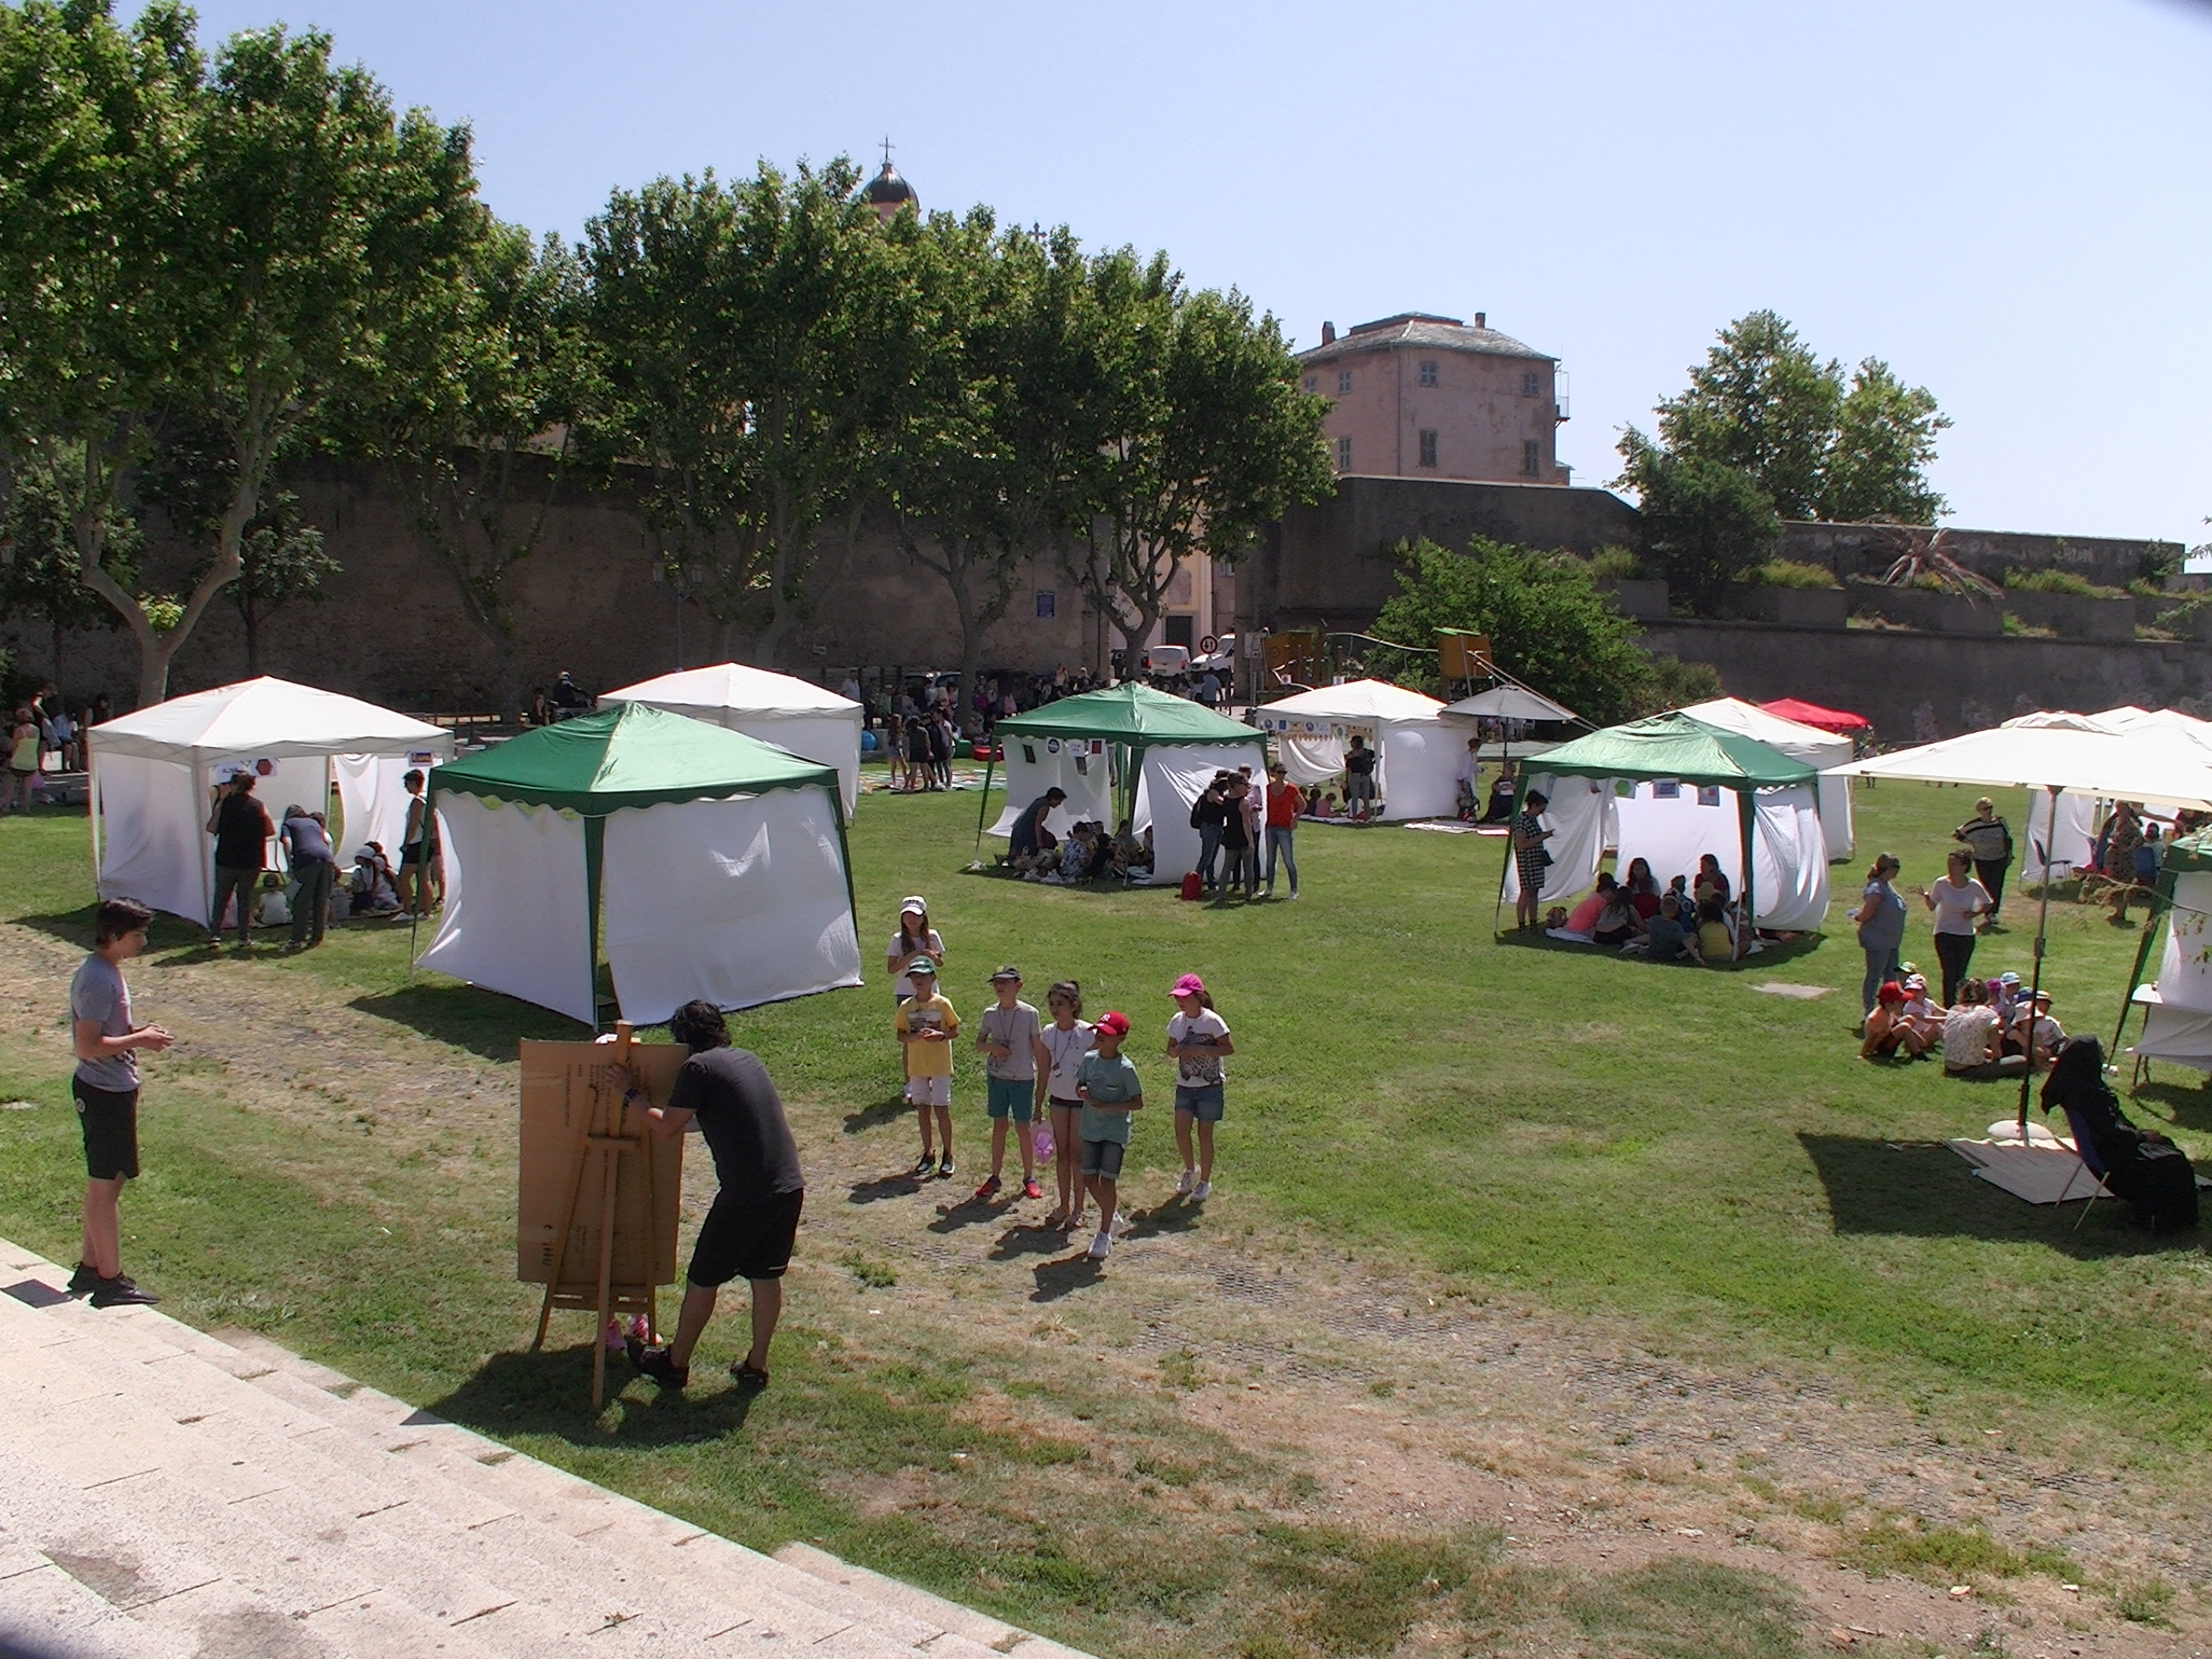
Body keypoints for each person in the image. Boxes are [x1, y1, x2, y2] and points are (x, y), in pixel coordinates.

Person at [617, 1000, 804, 1390]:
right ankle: (757, 1366)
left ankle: (675, 1364)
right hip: (787, 1186)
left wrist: (629, 1094)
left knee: (703, 1279)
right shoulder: (746, 1059)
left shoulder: (697, 1068)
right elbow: (716, 1118)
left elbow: (667, 1127)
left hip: (746, 1195)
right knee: (764, 1277)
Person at [66, 899, 174, 1307]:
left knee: (108, 1183)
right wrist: (139, 1040)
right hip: (102, 1092)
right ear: (112, 937)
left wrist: (135, 1031)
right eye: (136, 935)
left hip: (113, 1088)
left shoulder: (107, 971)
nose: (143, 943)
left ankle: (91, 1268)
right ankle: (109, 1282)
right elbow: (87, 1045)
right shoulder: (97, 979)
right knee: (104, 1186)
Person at [1075, 1010, 1143, 1261]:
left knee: (1108, 1180)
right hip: (1091, 1128)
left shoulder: (1126, 1069)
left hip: (1114, 1131)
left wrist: (1109, 1107)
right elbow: (1079, 1084)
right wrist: (1081, 1091)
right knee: (1089, 1178)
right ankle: (1110, 1213)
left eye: (1107, 1034)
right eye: (1099, 1032)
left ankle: (1103, 1234)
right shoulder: (1089, 1059)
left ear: (1121, 1038)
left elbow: (1138, 1103)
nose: (1101, 1036)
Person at [973, 967, 1044, 1202]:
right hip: (997, 1076)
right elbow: (979, 1043)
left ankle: (1029, 1177)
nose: (1000, 987)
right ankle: (994, 1176)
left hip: (1022, 1077)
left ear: (1018, 986)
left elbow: (1036, 1043)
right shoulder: (990, 1014)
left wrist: (1045, 1071)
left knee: (1022, 1127)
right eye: (996, 983)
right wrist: (993, 1048)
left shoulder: (1029, 1013)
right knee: (999, 1126)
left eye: (1005, 983)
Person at [1166, 973, 1232, 1201]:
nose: (1180, 1002)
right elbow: (1170, 1048)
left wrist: (1202, 1050)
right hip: (1185, 1085)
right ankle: (1189, 1170)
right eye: (1178, 998)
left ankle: (1205, 1181)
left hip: (1210, 1086)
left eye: (1184, 997)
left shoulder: (1213, 1021)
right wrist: (1175, 1052)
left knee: (1205, 1134)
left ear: (1198, 997)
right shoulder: (1177, 1021)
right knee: (1181, 1130)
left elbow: (1227, 1048)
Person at [1038, 981, 1095, 1231]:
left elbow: (1097, 1067)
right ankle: (1063, 1205)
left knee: (1077, 1156)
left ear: (1074, 1005)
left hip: (1082, 1102)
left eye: (1060, 1004)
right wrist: (1038, 1103)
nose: (1055, 1009)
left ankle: (1079, 1208)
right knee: (1062, 1154)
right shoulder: (1048, 1033)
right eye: (1051, 1004)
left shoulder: (1088, 1033)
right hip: (1058, 1100)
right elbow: (1043, 1071)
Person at [895, 958, 959, 1177]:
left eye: (923, 976)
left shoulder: (942, 1004)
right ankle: (928, 1153)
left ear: (933, 978)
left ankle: (948, 1154)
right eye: (914, 977)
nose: (918, 981)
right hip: (917, 1065)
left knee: (941, 1109)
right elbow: (900, 1035)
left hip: (940, 1065)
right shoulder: (906, 1006)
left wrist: (940, 1036)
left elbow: (955, 1031)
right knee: (922, 1108)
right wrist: (913, 1036)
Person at [205, 771, 273, 949]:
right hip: (252, 859)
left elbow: (211, 827)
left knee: (221, 897)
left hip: (227, 858)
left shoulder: (225, 804)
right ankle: (244, 937)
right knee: (245, 899)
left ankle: (215, 935)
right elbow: (270, 830)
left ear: (234, 785)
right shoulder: (259, 806)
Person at [1919, 849, 1991, 1005]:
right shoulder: (1941, 883)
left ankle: (1960, 1003)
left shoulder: (1973, 886)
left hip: (1965, 934)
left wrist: (1973, 914)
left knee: (1960, 972)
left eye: (1954, 864)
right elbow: (1933, 905)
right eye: (1949, 864)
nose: (1950, 867)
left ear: (1964, 867)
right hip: (1944, 932)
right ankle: (1949, 1006)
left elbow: (1988, 903)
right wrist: (1926, 897)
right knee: (1949, 971)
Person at [1853, 854, 1906, 1023]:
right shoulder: (1876, 889)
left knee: (1891, 978)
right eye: (1896, 868)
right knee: (1875, 975)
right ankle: (1869, 1010)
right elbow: (1866, 914)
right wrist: (1857, 916)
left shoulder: (1886, 886)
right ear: (1889, 869)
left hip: (1891, 941)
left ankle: (1889, 1010)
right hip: (1878, 941)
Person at [279, 803, 338, 951]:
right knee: (321, 899)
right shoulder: (313, 822)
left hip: (306, 861)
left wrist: (290, 866)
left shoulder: (289, 824)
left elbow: (287, 843)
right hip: (326, 859)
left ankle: (297, 939)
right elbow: (325, 841)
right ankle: (317, 937)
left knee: (302, 902)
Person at [1953, 797, 2012, 930]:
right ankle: (1986, 910)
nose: (1989, 811)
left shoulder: (2000, 821)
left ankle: (1992, 913)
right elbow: (1958, 834)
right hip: (1982, 859)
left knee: (1997, 885)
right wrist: (1973, 843)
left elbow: (2008, 838)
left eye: (1990, 808)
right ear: (1979, 811)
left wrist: (2009, 855)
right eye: (1985, 809)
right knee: (1986, 885)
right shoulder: (1975, 825)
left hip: (1999, 858)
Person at [397, 769, 441, 918]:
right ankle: (426, 912)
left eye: (407, 783)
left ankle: (407, 910)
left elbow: (413, 825)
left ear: (413, 783)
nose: (405, 787)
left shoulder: (417, 801)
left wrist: (406, 843)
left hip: (417, 844)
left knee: (404, 878)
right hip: (426, 843)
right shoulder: (427, 799)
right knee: (424, 878)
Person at [1941, 978, 2007, 1075]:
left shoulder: (1953, 1009)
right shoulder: (1989, 1015)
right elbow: (1996, 1053)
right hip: (1969, 1068)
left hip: (1949, 1065)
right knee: (2020, 1061)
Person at [888, 897, 944, 1007]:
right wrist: (911, 955)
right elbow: (891, 969)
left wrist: (933, 956)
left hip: (930, 991)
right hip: (906, 992)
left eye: (916, 915)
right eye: (907, 915)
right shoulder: (898, 939)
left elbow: (940, 963)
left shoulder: (932, 936)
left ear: (923, 918)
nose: (911, 919)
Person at [1511, 789, 1553, 931]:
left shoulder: (1532, 820)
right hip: (1527, 862)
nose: (1542, 812)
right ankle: (1521, 923)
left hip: (1536, 861)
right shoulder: (1522, 822)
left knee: (1534, 892)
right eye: (1541, 808)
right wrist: (1541, 837)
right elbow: (1521, 844)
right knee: (1526, 891)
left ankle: (1533, 921)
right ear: (1534, 805)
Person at [1262, 762, 1302, 899]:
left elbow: (1302, 804)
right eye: (1279, 772)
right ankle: (1269, 887)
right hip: (1271, 827)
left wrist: (1295, 819)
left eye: (1284, 772)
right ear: (1273, 773)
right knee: (1270, 859)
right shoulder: (1268, 788)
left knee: (1288, 860)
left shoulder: (1291, 789)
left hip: (1285, 828)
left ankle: (1294, 889)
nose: (1282, 775)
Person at [1860, 981, 1927, 1060]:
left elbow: (1893, 1023)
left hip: (1886, 1036)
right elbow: (1870, 1038)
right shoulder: (1879, 1017)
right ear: (1891, 1003)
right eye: (1900, 1001)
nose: (1903, 1003)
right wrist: (1863, 1054)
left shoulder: (1888, 1011)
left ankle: (1910, 1046)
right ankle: (1917, 1053)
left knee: (1909, 1018)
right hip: (1879, 1048)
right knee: (1904, 1027)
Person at [2103, 802, 2145, 925]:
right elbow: (2113, 835)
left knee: (2123, 885)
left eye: (2121, 808)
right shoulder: (2117, 821)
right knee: (2114, 884)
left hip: (2124, 859)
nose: (2119, 810)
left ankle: (2121, 913)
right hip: (2114, 857)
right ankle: (2116, 911)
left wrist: (2129, 848)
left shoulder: (2132, 824)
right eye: (2117, 808)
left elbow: (2140, 840)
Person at [1189, 775, 1230, 894]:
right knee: (1207, 857)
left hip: (1217, 827)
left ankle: (1211, 884)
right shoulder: (1213, 792)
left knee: (1211, 858)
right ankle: (1196, 881)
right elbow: (1220, 802)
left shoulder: (1217, 792)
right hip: (1209, 827)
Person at [2006, 991, 2065, 1069]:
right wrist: (2046, 1053)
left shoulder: (2027, 1029)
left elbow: (2037, 1041)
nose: (2034, 1020)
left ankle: (2043, 1064)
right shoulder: (2014, 1032)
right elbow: (2028, 1047)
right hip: (2009, 1057)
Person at [1009, 787, 1067, 863]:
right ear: (1053, 798)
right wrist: (1039, 842)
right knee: (1024, 854)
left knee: (1016, 852)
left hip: (1019, 828)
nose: (1059, 804)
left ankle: (1006, 859)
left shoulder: (1040, 800)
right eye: (1059, 801)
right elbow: (1037, 824)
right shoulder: (1044, 806)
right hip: (1025, 831)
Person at [1218, 775, 1254, 899]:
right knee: (1247, 867)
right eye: (1244, 785)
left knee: (1227, 867)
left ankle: (1221, 894)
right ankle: (1248, 894)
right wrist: (1251, 842)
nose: (1246, 788)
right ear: (1236, 785)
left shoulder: (1226, 800)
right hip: (1242, 836)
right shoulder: (1244, 802)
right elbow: (1247, 823)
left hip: (1231, 835)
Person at [1642, 892, 1697, 963]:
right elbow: (1685, 941)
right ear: (1676, 910)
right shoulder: (1676, 926)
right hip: (1669, 955)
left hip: (1652, 954)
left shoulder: (1653, 920)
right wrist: (1696, 956)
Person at [349, 843, 401, 915]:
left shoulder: (359, 872)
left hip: (375, 898)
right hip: (390, 899)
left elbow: (355, 887)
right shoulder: (379, 871)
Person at [5, 707, 39, 814]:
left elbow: (14, 747)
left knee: (11, 786)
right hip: (32, 762)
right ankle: (26, 808)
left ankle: (6, 807)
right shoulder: (36, 730)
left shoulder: (19, 731)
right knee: (28, 787)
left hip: (18, 762)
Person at [1342, 734, 1378, 822]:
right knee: (1357, 797)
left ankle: (1364, 816)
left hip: (1361, 776)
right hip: (1359, 776)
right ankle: (1357, 816)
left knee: (1363, 797)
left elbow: (1378, 757)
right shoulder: (1364, 753)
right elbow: (1348, 768)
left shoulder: (1365, 753)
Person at [1695, 897, 1735, 964]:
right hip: (1726, 956)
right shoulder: (1724, 927)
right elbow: (1731, 941)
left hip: (1707, 956)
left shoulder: (1702, 928)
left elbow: (1700, 941)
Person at [1622, 857, 1661, 921]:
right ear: (1633, 871)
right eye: (1637, 870)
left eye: (1642, 869)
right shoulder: (1630, 884)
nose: (1640, 872)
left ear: (1646, 869)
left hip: (1652, 910)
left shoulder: (1653, 881)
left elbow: (1657, 896)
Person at [1454, 738, 1482, 822]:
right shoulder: (1468, 757)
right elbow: (1465, 770)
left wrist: (1479, 769)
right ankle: (1469, 814)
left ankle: (1463, 814)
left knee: (1466, 799)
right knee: (1468, 799)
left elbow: (1471, 766)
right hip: (1465, 780)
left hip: (1465, 779)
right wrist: (1465, 780)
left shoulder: (1469, 756)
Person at [1482, 759, 1518, 825]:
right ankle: (1492, 816)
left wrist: (1506, 787)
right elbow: (1494, 785)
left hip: (1509, 798)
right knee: (1495, 799)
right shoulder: (1501, 778)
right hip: (1500, 796)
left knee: (1502, 801)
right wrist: (1498, 787)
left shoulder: (1514, 779)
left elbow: (1515, 787)